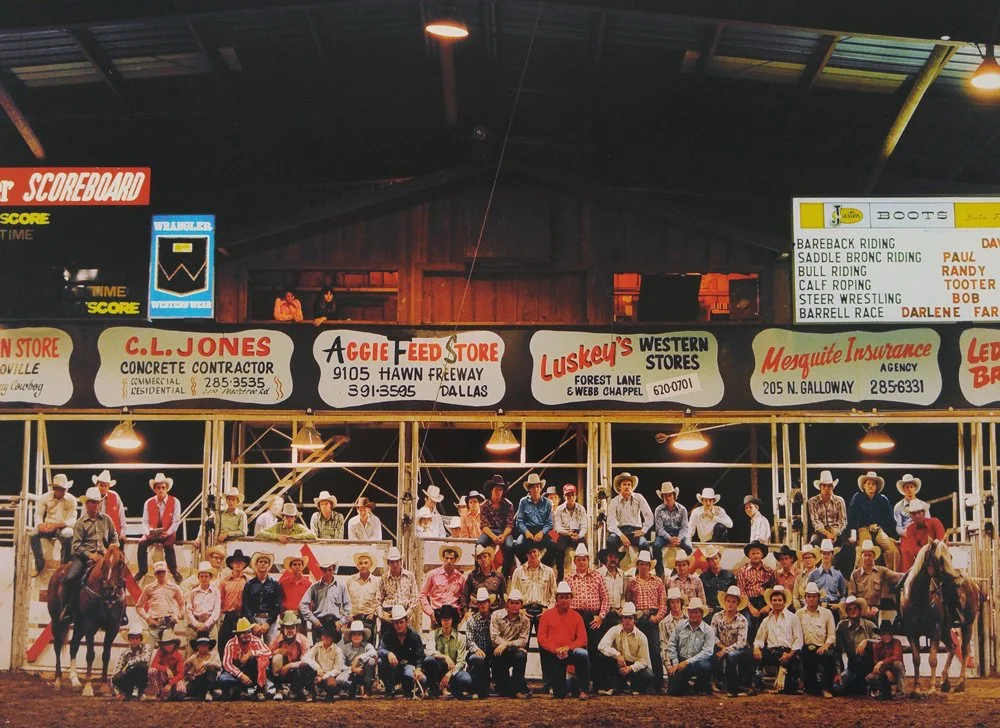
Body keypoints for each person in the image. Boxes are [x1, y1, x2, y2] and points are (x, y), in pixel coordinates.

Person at [565, 543, 609, 692]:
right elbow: (563, 598)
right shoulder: (568, 577)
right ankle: (577, 685)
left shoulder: (597, 576)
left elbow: (606, 598)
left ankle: (597, 684)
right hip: (575, 617)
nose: (582, 562)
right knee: (577, 650)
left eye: (584, 559)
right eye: (579, 559)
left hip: (593, 618)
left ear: (588, 560)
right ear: (575, 561)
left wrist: (600, 617)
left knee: (595, 649)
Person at [538, 581, 591, 699]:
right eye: (561, 597)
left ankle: (584, 690)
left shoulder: (577, 616)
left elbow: (583, 639)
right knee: (559, 694)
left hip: (570, 652)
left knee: (582, 654)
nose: (564, 600)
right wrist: (555, 650)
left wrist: (568, 648)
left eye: (567, 597)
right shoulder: (546, 615)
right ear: (557, 599)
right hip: (554, 654)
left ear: (571, 598)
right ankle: (572, 682)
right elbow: (541, 638)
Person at [625, 550, 667, 692]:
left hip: (652, 617)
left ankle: (659, 683)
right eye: (641, 564)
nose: (643, 567)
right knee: (638, 652)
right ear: (638, 565)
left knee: (654, 650)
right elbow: (629, 601)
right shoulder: (632, 583)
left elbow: (663, 604)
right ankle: (639, 683)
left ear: (650, 566)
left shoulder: (658, 582)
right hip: (638, 618)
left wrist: (657, 617)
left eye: (646, 565)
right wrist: (633, 618)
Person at [752, 585, 802, 695]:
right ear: (771, 602)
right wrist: (756, 648)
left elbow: (798, 641)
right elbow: (759, 639)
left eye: (780, 600)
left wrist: (789, 655)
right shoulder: (766, 620)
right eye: (774, 600)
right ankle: (757, 685)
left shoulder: (793, 618)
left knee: (789, 689)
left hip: (788, 653)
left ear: (784, 602)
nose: (777, 602)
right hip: (771, 652)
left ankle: (786, 679)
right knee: (755, 657)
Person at [847, 471, 900, 571]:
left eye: (873, 484)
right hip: (863, 529)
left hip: (879, 529)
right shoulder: (857, 497)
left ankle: (893, 576)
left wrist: (889, 535)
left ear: (876, 486)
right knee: (864, 549)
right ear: (864, 485)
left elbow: (890, 519)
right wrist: (853, 534)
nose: (871, 486)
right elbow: (852, 517)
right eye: (868, 484)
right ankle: (858, 576)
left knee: (892, 550)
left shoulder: (882, 499)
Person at [136, 472, 183, 583]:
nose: (161, 490)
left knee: (168, 545)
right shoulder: (148, 502)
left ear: (167, 488)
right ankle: (142, 570)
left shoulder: (175, 502)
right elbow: (144, 521)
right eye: (158, 488)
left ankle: (173, 571)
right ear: (155, 489)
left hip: (167, 533)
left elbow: (176, 521)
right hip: (153, 532)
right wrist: (148, 532)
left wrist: (168, 532)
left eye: (163, 487)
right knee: (142, 543)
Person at [598, 601, 653, 695]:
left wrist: (630, 668)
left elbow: (644, 661)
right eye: (625, 617)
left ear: (634, 619)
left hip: (634, 666)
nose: (628, 620)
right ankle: (615, 686)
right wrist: (617, 654)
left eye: (630, 618)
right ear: (621, 619)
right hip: (619, 664)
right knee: (601, 656)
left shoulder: (641, 636)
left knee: (649, 675)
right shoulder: (614, 630)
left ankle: (634, 687)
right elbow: (601, 646)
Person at [665, 597, 716, 696]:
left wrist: (687, 662)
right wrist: (675, 663)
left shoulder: (708, 630)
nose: (693, 615)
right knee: (673, 692)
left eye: (696, 612)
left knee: (705, 666)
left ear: (701, 614)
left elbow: (707, 652)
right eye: (691, 612)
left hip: (697, 662)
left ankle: (700, 686)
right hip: (680, 661)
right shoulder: (680, 625)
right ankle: (686, 686)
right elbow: (671, 645)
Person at [30, 473, 77, 577]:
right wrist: (40, 525)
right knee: (33, 534)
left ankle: (64, 566)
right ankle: (39, 563)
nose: (63, 491)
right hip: (48, 525)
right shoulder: (44, 498)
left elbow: (73, 519)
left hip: (63, 527)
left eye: (65, 489)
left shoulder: (71, 499)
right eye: (60, 489)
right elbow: (38, 514)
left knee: (68, 536)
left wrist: (57, 525)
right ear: (55, 488)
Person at [422, 603, 473, 699]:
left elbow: (461, 661)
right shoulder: (433, 634)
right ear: (440, 620)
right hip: (437, 669)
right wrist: (445, 657)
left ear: (452, 620)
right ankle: (434, 688)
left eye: (448, 619)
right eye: (443, 619)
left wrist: (449, 674)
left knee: (467, 680)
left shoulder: (460, 637)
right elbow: (429, 651)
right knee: (429, 660)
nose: (446, 622)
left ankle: (451, 687)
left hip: (453, 670)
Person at [796, 582, 836, 698]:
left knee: (829, 657)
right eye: (808, 596)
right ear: (805, 598)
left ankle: (826, 688)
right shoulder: (799, 614)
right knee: (811, 688)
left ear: (818, 598)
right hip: (805, 649)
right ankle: (808, 685)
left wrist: (825, 646)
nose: (811, 599)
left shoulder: (827, 613)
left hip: (821, 648)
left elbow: (831, 634)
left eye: (814, 596)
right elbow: (796, 634)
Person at [489, 589, 532, 698]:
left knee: (521, 655)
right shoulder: (496, 615)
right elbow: (494, 637)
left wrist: (506, 644)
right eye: (511, 603)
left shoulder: (525, 620)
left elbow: (523, 640)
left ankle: (518, 688)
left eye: (517, 603)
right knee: (503, 692)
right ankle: (510, 686)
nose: (514, 606)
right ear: (507, 603)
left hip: (513, 651)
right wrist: (504, 645)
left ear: (521, 605)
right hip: (499, 652)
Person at [378, 604, 427, 699]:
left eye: (401, 622)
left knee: (423, 679)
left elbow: (420, 655)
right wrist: (388, 653)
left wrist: (418, 668)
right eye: (396, 623)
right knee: (380, 662)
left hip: (409, 667)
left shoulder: (414, 636)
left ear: (406, 622)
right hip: (394, 668)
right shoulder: (387, 635)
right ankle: (389, 690)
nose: (399, 625)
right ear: (393, 624)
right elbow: (380, 650)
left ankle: (410, 689)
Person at [832, 595, 877, 696]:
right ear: (847, 612)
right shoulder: (842, 626)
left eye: (855, 608)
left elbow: (881, 641)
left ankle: (870, 683)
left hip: (869, 665)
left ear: (860, 610)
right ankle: (861, 685)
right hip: (853, 666)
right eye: (849, 609)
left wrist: (867, 641)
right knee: (836, 688)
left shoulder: (869, 625)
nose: (852, 611)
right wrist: (838, 672)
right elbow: (837, 650)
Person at [219, 617, 273, 700]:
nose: (247, 635)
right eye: (243, 633)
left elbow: (269, 653)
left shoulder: (256, 641)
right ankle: (239, 690)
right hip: (237, 675)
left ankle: (260, 689)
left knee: (261, 659)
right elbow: (226, 663)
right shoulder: (230, 643)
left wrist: (252, 653)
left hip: (252, 674)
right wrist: (241, 675)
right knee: (223, 679)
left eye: (249, 632)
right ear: (238, 634)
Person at [849, 540, 905, 621]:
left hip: (875, 611)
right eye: (865, 555)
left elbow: (896, 576)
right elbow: (851, 595)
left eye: (870, 555)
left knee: (874, 631)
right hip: (859, 612)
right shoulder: (855, 574)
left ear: (874, 557)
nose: (867, 557)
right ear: (861, 556)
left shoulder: (881, 571)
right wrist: (862, 609)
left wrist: (911, 573)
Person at [711, 586, 751, 698]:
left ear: (738, 604)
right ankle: (716, 683)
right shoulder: (716, 616)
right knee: (709, 652)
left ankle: (733, 688)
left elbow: (741, 642)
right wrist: (722, 648)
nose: (730, 604)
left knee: (732, 656)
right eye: (728, 601)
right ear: (725, 602)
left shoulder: (742, 619)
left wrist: (726, 651)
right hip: (720, 645)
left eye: (734, 601)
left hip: (737, 649)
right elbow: (712, 636)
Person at [300, 557, 351, 643]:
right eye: (324, 570)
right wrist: (313, 619)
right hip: (319, 622)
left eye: (330, 570)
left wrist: (342, 621)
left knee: (335, 652)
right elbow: (303, 604)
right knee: (318, 651)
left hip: (335, 622)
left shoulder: (341, 586)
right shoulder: (314, 587)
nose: (327, 573)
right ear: (321, 570)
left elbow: (348, 605)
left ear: (334, 569)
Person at [135, 560, 185, 643]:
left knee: (167, 651)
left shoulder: (175, 587)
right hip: (154, 623)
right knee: (147, 650)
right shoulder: (149, 588)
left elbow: (182, 604)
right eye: (158, 572)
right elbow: (139, 606)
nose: (161, 574)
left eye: (163, 572)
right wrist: (148, 618)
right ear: (155, 574)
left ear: (168, 572)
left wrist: (178, 616)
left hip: (169, 623)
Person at [735, 540, 774, 643]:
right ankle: (750, 648)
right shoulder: (742, 570)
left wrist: (769, 606)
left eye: (757, 553)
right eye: (753, 553)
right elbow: (741, 591)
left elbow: (772, 590)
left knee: (767, 625)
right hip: (748, 602)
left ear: (762, 555)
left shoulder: (769, 571)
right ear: (749, 555)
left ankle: (765, 649)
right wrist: (750, 607)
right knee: (748, 625)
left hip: (765, 602)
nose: (755, 555)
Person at [509, 544, 556, 629]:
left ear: (539, 553)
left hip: (544, 609)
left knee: (544, 641)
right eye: (529, 553)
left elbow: (554, 593)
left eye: (534, 551)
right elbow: (514, 593)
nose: (532, 555)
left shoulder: (549, 571)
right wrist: (520, 610)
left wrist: (548, 609)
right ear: (526, 555)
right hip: (525, 610)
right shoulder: (518, 572)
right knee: (523, 641)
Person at [605, 472, 654, 555]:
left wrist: (643, 530)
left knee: (643, 543)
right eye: (624, 484)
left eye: (629, 485)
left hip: (635, 531)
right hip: (620, 530)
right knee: (611, 540)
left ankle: (647, 565)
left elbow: (649, 516)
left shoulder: (638, 498)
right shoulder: (614, 501)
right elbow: (611, 523)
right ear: (619, 487)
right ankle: (613, 565)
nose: (627, 487)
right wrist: (621, 535)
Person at [243, 552, 284, 645]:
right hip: (254, 621)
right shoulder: (249, 585)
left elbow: (278, 606)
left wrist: (268, 623)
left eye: (265, 562)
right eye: (260, 561)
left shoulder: (275, 584)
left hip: (270, 622)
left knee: (271, 648)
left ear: (269, 565)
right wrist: (253, 624)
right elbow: (245, 606)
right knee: (252, 647)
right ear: (256, 564)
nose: (263, 563)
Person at [514, 473, 556, 566]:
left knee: (554, 545)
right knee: (517, 546)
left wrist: (542, 532)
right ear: (529, 489)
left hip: (542, 530)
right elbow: (519, 521)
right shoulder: (523, 501)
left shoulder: (548, 502)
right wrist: (526, 532)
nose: (536, 489)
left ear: (541, 488)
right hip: (528, 530)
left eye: (537, 487)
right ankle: (527, 565)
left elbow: (550, 523)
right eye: (533, 487)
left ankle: (543, 566)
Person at [479, 475, 516, 579]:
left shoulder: (509, 505)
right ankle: (479, 572)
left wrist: (503, 536)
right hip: (489, 531)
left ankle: (504, 574)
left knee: (509, 546)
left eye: (501, 490)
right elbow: (484, 526)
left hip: (504, 531)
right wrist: (493, 537)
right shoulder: (484, 505)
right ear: (491, 490)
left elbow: (510, 524)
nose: (499, 492)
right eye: (496, 489)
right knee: (479, 544)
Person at [652, 482, 692, 578]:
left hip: (679, 533)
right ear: (662, 497)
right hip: (664, 534)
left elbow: (685, 527)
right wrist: (669, 538)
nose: (668, 498)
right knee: (656, 546)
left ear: (674, 495)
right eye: (665, 496)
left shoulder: (682, 509)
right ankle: (660, 573)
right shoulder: (658, 510)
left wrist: (678, 538)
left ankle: (677, 570)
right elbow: (659, 528)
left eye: (670, 495)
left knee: (688, 547)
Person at [269, 611, 312, 700]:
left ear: (296, 629)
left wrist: (290, 666)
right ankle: (279, 689)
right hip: (281, 672)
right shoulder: (277, 639)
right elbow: (267, 653)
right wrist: (277, 651)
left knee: (306, 666)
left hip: (297, 671)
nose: (290, 630)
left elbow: (307, 659)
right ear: (283, 628)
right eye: (287, 628)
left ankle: (299, 689)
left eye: (292, 628)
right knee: (276, 658)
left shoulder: (303, 640)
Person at [377, 547, 419, 636]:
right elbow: (378, 599)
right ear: (388, 563)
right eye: (392, 562)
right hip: (389, 613)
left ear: (401, 561)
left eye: (397, 561)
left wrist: (407, 614)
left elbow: (415, 597)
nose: (395, 564)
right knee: (387, 643)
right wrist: (382, 616)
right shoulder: (384, 578)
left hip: (405, 612)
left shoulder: (410, 576)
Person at [217, 549, 250, 659]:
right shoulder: (224, 582)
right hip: (229, 616)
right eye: (236, 562)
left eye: (241, 562)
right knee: (224, 642)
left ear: (244, 564)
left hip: (243, 616)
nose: (238, 564)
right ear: (231, 564)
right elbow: (220, 600)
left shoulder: (248, 582)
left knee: (244, 644)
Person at [419, 544, 466, 621]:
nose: (449, 561)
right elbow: (422, 595)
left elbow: (464, 597)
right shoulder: (432, 575)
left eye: (451, 558)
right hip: (437, 613)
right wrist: (430, 612)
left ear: (455, 560)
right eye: (446, 558)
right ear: (443, 558)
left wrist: (461, 612)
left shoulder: (461, 578)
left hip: (453, 613)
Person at [552, 484, 589, 581]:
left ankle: (584, 572)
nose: (571, 497)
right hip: (564, 533)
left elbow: (584, 526)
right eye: (568, 495)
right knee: (559, 548)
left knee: (583, 548)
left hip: (577, 533)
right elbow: (557, 527)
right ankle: (560, 574)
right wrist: (568, 533)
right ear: (564, 497)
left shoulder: (581, 509)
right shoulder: (559, 509)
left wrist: (579, 535)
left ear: (576, 495)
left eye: (572, 495)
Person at [302, 624, 346, 700]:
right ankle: (310, 691)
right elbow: (305, 658)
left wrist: (323, 677)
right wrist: (317, 667)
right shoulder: (317, 646)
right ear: (321, 636)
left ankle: (329, 693)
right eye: (324, 635)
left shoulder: (337, 650)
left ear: (333, 638)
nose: (326, 638)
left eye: (329, 636)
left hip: (329, 675)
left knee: (332, 685)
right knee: (304, 666)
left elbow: (338, 669)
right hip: (317, 673)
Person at [808, 470, 849, 553]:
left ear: (833, 487)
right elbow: (815, 522)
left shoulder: (839, 501)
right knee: (813, 543)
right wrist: (827, 534)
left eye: (829, 486)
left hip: (836, 531)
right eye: (824, 486)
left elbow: (843, 521)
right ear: (820, 487)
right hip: (821, 532)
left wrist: (835, 533)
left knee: (847, 547)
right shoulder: (812, 501)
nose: (827, 488)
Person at [465, 588, 495, 699]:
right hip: (478, 652)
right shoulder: (471, 621)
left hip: (492, 652)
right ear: (477, 604)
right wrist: (477, 649)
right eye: (481, 603)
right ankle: (477, 687)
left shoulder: (495, 619)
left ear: (489, 603)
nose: (483, 605)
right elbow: (469, 640)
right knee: (475, 659)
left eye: (485, 602)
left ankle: (501, 685)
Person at [900, 499, 946, 571]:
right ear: (910, 516)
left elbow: (942, 541)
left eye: (919, 512)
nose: (917, 516)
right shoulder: (910, 529)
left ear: (924, 513)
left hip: (938, 559)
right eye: (914, 513)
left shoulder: (935, 522)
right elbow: (913, 549)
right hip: (921, 560)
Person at [337, 620, 377, 698]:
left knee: (371, 661)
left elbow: (374, 653)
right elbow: (341, 665)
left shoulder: (367, 646)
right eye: (354, 634)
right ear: (350, 636)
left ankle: (367, 690)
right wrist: (353, 669)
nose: (357, 636)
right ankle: (351, 688)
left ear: (363, 636)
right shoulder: (344, 648)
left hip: (364, 672)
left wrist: (360, 657)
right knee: (339, 680)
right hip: (350, 673)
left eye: (359, 634)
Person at [112, 622, 152, 700]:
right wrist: (117, 692)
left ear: (140, 639)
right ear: (129, 639)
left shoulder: (146, 647)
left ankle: (140, 692)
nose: (134, 641)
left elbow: (145, 659)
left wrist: (129, 664)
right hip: (129, 680)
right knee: (116, 677)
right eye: (132, 638)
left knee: (142, 666)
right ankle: (128, 693)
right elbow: (116, 671)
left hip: (141, 679)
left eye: (137, 638)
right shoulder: (125, 653)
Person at [464, 544, 506, 614]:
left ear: (490, 558)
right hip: (475, 610)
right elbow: (465, 595)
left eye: (485, 557)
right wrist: (465, 612)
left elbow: (504, 597)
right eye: (480, 558)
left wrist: (501, 611)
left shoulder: (499, 576)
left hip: (493, 611)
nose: (483, 559)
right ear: (477, 561)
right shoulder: (472, 576)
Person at [867, 620, 905, 700]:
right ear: (880, 635)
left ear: (891, 635)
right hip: (884, 672)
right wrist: (886, 671)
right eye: (883, 634)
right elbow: (875, 662)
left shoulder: (897, 643)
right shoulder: (877, 646)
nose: (886, 636)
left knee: (897, 664)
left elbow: (896, 657)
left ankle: (900, 691)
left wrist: (882, 662)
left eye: (888, 634)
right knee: (870, 677)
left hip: (895, 672)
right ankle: (880, 691)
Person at [186, 560, 222, 642]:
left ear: (210, 577)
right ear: (198, 577)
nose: (204, 579)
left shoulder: (215, 591)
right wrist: (196, 624)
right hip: (195, 623)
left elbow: (216, 610)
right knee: (192, 649)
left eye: (206, 576)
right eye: (201, 576)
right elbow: (188, 610)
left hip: (210, 623)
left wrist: (206, 624)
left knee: (212, 649)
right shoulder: (193, 592)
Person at [347, 551, 380, 641]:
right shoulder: (350, 580)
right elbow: (345, 599)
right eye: (360, 563)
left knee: (368, 647)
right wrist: (346, 614)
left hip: (368, 619)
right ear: (357, 565)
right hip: (352, 618)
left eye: (366, 563)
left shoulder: (377, 582)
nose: (363, 565)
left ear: (371, 564)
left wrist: (375, 613)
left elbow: (379, 601)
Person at [808, 538, 847, 610]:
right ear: (820, 554)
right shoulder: (813, 574)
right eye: (824, 553)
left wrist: (839, 605)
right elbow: (807, 593)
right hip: (817, 608)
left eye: (828, 553)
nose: (826, 556)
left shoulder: (838, 574)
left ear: (832, 555)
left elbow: (843, 595)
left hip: (833, 607)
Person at [699, 545, 736, 620]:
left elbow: (735, 594)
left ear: (720, 558)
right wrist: (705, 607)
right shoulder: (703, 577)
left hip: (726, 609)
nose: (715, 562)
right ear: (708, 562)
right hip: (710, 611)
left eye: (716, 558)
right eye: (711, 560)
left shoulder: (729, 575)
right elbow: (700, 594)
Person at [148, 629, 185, 701]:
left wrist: (170, 684)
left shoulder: (178, 655)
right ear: (163, 645)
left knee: (181, 691)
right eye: (166, 643)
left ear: (174, 644)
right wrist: (166, 669)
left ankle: (170, 694)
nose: (168, 646)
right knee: (152, 671)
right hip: (164, 677)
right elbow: (153, 664)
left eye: (170, 643)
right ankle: (159, 694)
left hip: (174, 679)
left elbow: (181, 673)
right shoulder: (160, 652)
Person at [596, 548, 628, 630]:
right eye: (611, 556)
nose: (613, 559)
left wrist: (621, 607)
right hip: (604, 614)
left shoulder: (622, 574)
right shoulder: (598, 573)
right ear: (605, 558)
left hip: (618, 614)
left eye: (616, 557)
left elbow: (623, 595)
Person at [185, 634, 222, 701]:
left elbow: (219, 665)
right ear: (197, 646)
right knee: (189, 689)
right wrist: (189, 674)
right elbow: (184, 667)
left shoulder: (214, 654)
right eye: (201, 645)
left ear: (209, 646)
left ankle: (210, 691)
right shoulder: (193, 657)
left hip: (214, 680)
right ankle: (207, 693)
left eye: (205, 645)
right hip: (200, 679)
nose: (203, 647)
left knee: (211, 669)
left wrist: (206, 663)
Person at [93, 470, 126, 542]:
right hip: (94, 532)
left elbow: (121, 516)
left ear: (108, 487)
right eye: (101, 485)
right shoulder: (90, 496)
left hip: (113, 533)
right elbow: (83, 516)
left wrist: (123, 533)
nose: (103, 488)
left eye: (106, 486)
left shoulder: (115, 496)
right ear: (96, 485)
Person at [658, 587, 689, 656]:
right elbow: (664, 645)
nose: (675, 605)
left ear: (681, 603)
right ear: (669, 604)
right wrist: (668, 664)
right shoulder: (663, 623)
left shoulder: (688, 618)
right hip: (673, 655)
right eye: (672, 602)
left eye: (677, 602)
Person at [791, 545, 819, 611]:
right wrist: (800, 610)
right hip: (802, 608)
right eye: (805, 558)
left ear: (814, 559)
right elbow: (795, 597)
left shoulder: (820, 575)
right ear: (802, 561)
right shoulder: (799, 577)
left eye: (809, 557)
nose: (807, 560)